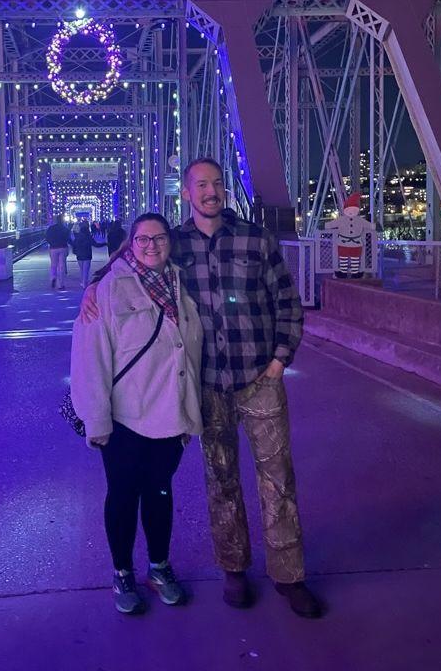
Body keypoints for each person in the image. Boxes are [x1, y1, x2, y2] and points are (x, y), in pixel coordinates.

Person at [81, 159, 322, 619]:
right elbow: (125, 261)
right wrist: (91, 286)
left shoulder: (256, 238)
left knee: (279, 480)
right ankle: (234, 568)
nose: (211, 191)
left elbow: (288, 300)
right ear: (187, 194)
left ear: (224, 191)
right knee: (221, 482)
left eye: (217, 184)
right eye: (201, 185)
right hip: (208, 384)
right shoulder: (174, 243)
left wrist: (279, 359)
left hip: (259, 379)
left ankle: (289, 576)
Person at [70, 212, 204, 615]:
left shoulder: (184, 284)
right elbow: (89, 357)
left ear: (170, 241)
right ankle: (122, 572)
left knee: (160, 494)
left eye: (159, 238)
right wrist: (97, 420)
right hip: (125, 419)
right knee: (124, 496)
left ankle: (159, 566)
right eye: (142, 239)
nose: (151, 246)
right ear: (130, 243)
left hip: (171, 412)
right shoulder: (108, 289)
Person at [45, 214, 71, 290]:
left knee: (53, 264)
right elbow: (68, 239)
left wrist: (51, 243)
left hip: (53, 248)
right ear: (63, 220)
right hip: (63, 247)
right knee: (61, 266)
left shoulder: (51, 228)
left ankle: (53, 277)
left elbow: (46, 237)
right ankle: (61, 284)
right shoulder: (65, 229)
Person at [71, 220, 98, 288]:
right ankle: (84, 283)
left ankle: (83, 282)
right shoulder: (89, 237)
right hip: (87, 255)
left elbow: (74, 244)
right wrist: (105, 244)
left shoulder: (77, 237)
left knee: (82, 270)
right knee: (86, 270)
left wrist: (75, 252)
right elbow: (96, 244)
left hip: (79, 255)